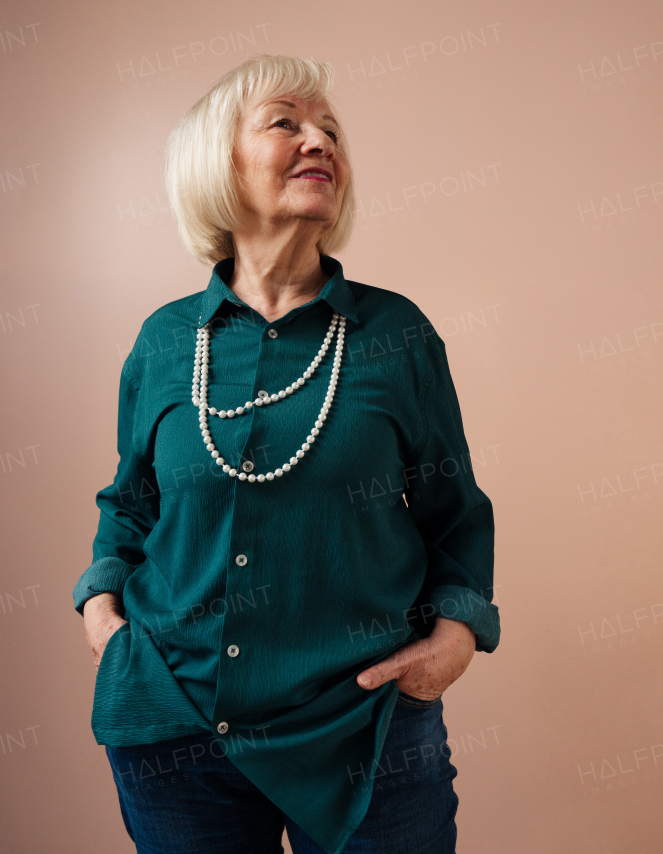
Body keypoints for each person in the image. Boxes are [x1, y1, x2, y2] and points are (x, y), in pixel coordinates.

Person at [73, 53, 499, 854]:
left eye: (331, 130)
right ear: (219, 164)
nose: (321, 142)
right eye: (287, 123)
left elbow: (455, 514)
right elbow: (129, 504)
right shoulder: (165, 342)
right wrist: (103, 616)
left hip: (364, 728)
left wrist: (457, 639)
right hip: (173, 725)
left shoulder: (394, 334)